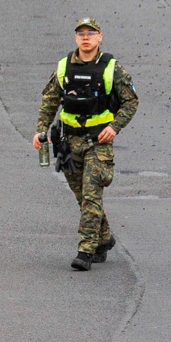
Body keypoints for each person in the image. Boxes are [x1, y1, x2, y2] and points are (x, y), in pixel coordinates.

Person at [33, 17, 140, 271]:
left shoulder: (111, 68)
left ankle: (86, 250)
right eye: (81, 33)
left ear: (100, 37)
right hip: (69, 144)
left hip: (98, 144)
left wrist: (114, 127)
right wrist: (41, 131)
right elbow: (50, 100)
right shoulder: (63, 67)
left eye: (91, 33)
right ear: (75, 38)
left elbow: (131, 101)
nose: (86, 37)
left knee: (91, 195)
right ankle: (104, 239)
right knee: (82, 197)